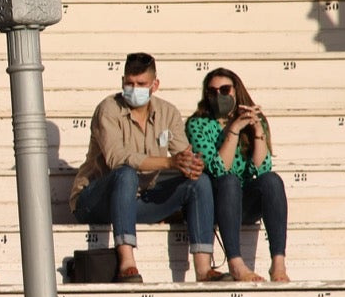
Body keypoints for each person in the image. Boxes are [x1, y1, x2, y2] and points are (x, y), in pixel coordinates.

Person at [70, 52, 219, 283]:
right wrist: (170, 162)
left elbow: (183, 152)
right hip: (94, 200)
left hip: (139, 198)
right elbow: (116, 158)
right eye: (129, 83)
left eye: (141, 84)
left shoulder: (168, 112)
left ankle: (203, 268)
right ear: (122, 81)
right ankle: (127, 262)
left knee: (199, 183)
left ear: (155, 85)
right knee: (125, 173)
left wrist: (191, 164)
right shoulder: (108, 109)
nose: (134, 88)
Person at [186, 68, 290, 283]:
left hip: (244, 201)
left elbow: (262, 168)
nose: (219, 96)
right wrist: (234, 130)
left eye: (225, 90)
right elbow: (218, 168)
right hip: (215, 201)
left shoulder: (252, 121)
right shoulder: (198, 124)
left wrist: (258, 130)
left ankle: (278, 263)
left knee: (272, 180)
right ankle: (235, 262)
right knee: (229, 181)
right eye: (212, 91)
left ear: (236, 91)